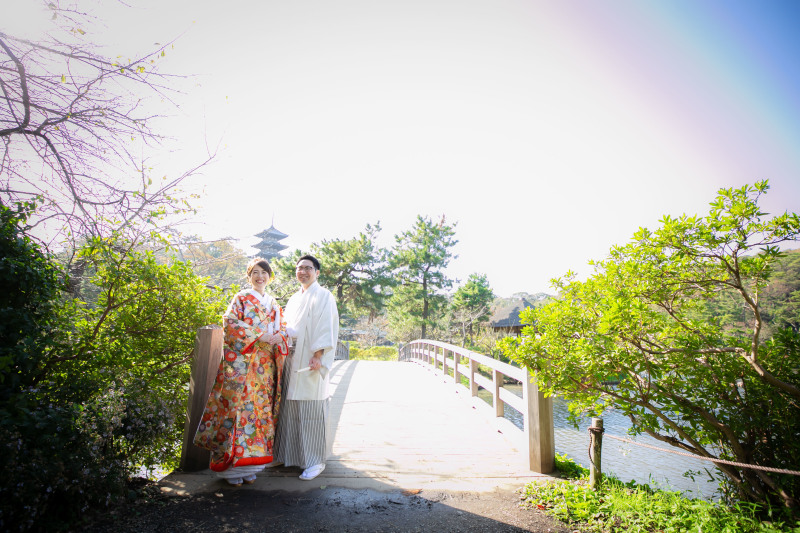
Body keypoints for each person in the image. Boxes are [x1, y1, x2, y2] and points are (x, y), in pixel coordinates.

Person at [193, 257, 289, 486]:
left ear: (270, 276)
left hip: (265, 367)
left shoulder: (274, 303)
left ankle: (253, 464)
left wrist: (279, 337)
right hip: (244, 364)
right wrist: (259, 335)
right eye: (255, 272)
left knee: (259, 412)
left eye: (264, 272)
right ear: (249, 276)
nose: (260, 276)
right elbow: (230, 322)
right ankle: (231, 467)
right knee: (238, 410)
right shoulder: (242, 297)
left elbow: (282, 327)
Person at [273, 254, 339, 480]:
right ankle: (288, 456)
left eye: (308, 268)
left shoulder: (323, 295)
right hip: (291, 358)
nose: (303, 271)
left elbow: (325, 327)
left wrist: (318, 355)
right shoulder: (293, 299)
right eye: (299, 268)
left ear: (317, 272)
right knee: (289, 408)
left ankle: (315, 461)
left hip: (309, 358)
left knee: (310, 409)